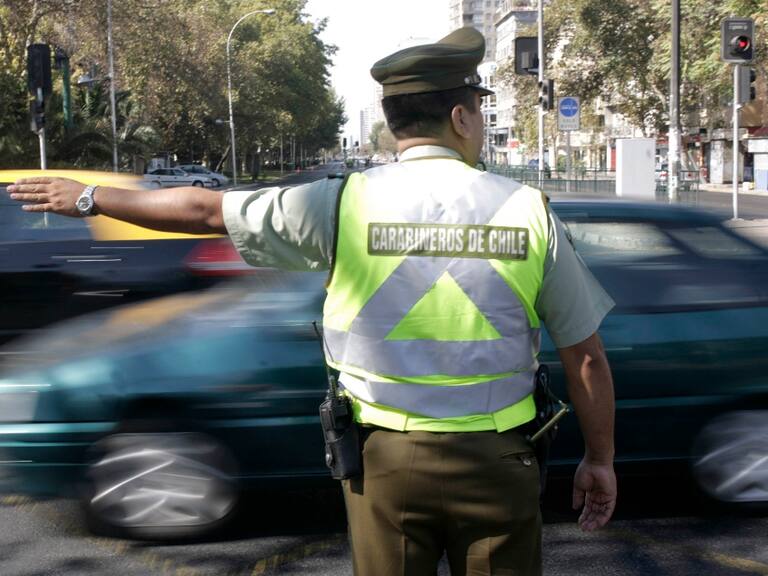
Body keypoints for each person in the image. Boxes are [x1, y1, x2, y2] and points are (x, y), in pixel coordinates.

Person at [10, 27, 616, 576]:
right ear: (460, 116)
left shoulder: (342, 202)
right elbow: (584, 357)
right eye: (481, 112)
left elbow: (201, 209)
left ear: (395, 122)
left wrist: (89, 197)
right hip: (500, 461)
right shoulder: (526, 209)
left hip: (386, 464)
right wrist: (599, 459)